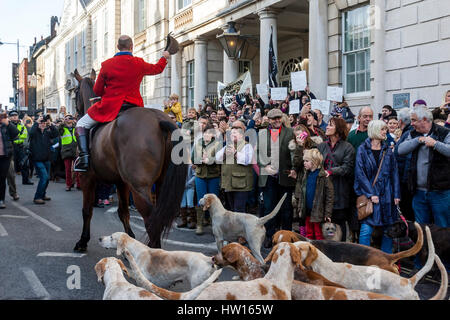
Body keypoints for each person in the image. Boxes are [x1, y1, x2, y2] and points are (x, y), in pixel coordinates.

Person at [74, 35, 170, 171]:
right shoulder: (139, 62)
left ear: (118, 47)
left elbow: (97, 90)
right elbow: (157, 69)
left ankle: (84, 159)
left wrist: (109, 89)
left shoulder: (107, 65)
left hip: (110, 107)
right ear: (132, 47)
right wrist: (164, 57)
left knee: (81, 124)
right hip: (134, 106)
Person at [397, 105, 450, 228]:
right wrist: (418, 140)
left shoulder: (444, 133)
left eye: (414, 120)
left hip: (439, 192)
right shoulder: (414, 134)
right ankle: (424, 248)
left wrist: (435, 144)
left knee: (442, 227)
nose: (412, 123)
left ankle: (441, 248)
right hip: (418, 192)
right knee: (421, 228)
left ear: (425, 120)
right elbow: (400, 150)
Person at [354, 120, 401, 254]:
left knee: (388, 227)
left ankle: (386, 258)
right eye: (382, 129)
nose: (385, 132)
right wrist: (370, 194)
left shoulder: (387, 150)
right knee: (366, 229)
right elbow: (360, 173)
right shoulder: (362, 150)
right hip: (370, 194)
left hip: (387, 193)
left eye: (385, 129)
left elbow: (394, 173)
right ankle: (364, 257)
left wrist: (396, 194)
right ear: (374, 130)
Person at [258, 108, 296, 248]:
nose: (277, 120)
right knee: (269, 208)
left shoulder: (291, 132)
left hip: (285, 177)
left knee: (286, 210)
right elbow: (257, 153)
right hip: (269, 179)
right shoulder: (262, 134)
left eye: (279, 117)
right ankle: (270, 236)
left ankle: (287, 237)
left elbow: (298, 151)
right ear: (268, 119)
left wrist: (294, 169)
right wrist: (264, 165)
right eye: (274, 118)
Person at [318, 117, 355, 242]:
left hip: (340, 191)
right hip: (324, 192)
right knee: (326, 224)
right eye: (327, 124)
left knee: (339, 224)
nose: (327, 127)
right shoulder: (321, 146)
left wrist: (331, 171)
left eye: (330, 125)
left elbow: (347, 168)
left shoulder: (347, 147)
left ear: (338, 129)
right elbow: (316, 163)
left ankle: (342, 251)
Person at [216, 120, 254, 213]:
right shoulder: (227, 146)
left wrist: (235, 153)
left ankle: (240, 228)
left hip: (241, 184)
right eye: (232, 134)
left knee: (239, 210)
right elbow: (217, 159)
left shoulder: (247, 146)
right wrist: (225, 153)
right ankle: (233, 227)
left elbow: (247, 160)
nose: (233, 135)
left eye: (236, 133)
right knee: (231, 210)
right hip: (228, 183)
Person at [296, 149, 334, 240]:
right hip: (307, 211)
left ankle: (319, 252)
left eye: (306, 161)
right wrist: (300, 207)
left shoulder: (323, 177)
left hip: (318, 213)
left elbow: (330, 196)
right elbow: (302, 192)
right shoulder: (306, 175)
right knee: (309, 234)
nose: (304, 163)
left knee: (318, 235)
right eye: (304, 161)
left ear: (314, 162)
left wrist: (328, 214)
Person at [191, 121, 221, 235]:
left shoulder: (218, 144)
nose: (207, 135)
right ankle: (200, 224)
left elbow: (219, 159)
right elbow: (193, 159)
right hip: (200, 176)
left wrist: (209, 159)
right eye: (205, 133)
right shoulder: (198, 143)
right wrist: (200, 160)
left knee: (214, 201)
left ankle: (215, 225)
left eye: (209, 133)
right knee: (201, 200)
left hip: (213, 176)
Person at [28, 115, 59, 204]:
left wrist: (50, 123)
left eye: (44, 123)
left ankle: (42, 194)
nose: (43, 124)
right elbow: (31, 133)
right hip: (37, 159)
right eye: (41, 122)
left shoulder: (47, 132)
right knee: (44, 177)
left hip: (46, 159)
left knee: (47, 178)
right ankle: (37, 197)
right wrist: (37, 122)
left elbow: (56, 133)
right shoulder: (35, 131)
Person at [394, 107, 414, 221]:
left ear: (400, 121)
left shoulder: (408, 134)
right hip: (405, 180)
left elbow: (407, 158)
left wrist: (405, 181)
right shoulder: (407, 133)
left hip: (405, 182)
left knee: (407, 213)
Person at [0, 112, 20, 208]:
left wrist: (8, 123)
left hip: (6, 156)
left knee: (7, 176)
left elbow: (16, 133)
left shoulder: (6, 126)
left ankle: (7, 196)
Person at [9, 111, 33, 185]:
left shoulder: (22, 125)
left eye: (16, 115)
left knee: (24, 164)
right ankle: (10, 182)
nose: (14, 116)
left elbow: (24, 135)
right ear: (9, 117)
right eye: (12, 115)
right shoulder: (7, 125)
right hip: (11, 147)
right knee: (9, 166)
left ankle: (26, 180)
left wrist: (15, 136)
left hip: (20, 146)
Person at [58, 114, 80, 191]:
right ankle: (68, 185)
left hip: (76, 150)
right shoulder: (62, 128)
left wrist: (74, 121)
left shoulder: (76, 127)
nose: (68, 119)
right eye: (66, 118)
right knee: (67, 170)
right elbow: (59, 131)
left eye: (69, 118)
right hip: (66, 151)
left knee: (78, 169)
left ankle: (79, 184)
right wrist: (63, 122)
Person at [178, 163, 196, 228]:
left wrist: (188, 183)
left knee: (190, 203)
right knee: (182, 204)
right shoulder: (179, 166)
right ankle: (184, 221)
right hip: (181, 188)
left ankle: (193, 221)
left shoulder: (190, 166)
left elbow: (195, 175)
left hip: (190, 187)